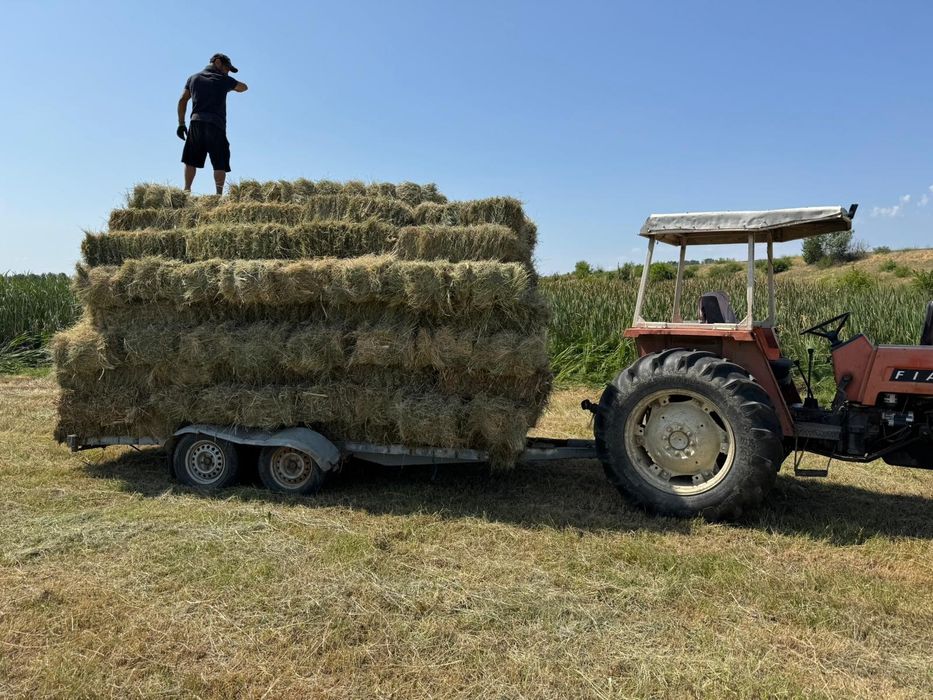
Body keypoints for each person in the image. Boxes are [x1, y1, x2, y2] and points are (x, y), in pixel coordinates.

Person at [177, 53, 248, 194]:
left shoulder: (193, 78)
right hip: (216, 125)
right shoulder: (223, 79)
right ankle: (218, 195)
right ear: (217, 62)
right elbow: (243, 87)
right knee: (220, 160)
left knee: (191, 160)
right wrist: (228, 82)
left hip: (196, 123)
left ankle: (186, 190)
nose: (227, 72)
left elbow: (182, 100)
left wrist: (181, 123)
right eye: (227, 68)